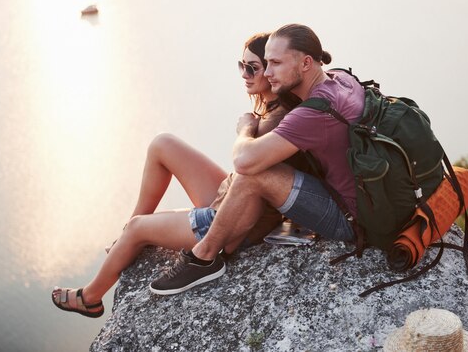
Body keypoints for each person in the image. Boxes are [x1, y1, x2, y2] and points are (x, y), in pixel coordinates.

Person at [51, 32, 306, 317]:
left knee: (139, 228)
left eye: (252, 68)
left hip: (231, 223)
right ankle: (126, 234)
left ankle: (90, 296)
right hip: (233, 199)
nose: (244, 74)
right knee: (163, 144)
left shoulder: (273, 123)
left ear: (272, 70)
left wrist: (245, 129)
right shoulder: (274, 108)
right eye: (241, 65)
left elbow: (252, 178)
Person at [149, 23, 365, 295]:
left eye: (275, 63)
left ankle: (204, 257)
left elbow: (244, 161)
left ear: (307, 62)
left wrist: (246, 129)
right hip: (357, 196)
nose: (269, 71)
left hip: (348, 217)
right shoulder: (340, 78)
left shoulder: (313, 113)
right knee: (261, 163)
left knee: (254, 172)